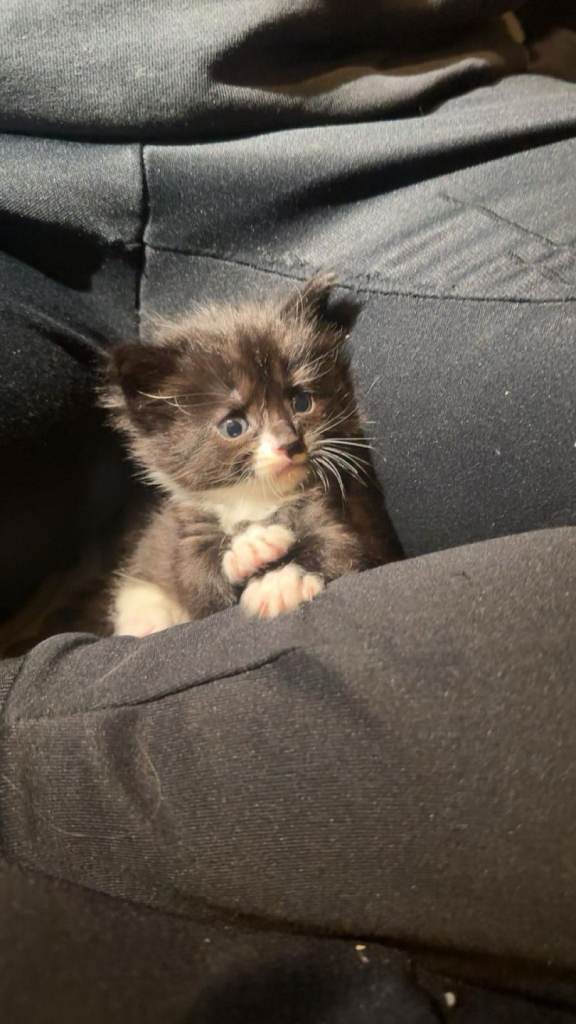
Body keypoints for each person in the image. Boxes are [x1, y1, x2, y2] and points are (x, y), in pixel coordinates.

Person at [1, 2, 576, 1021]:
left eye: (299, 409)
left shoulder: (301, 451)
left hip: (395, 142)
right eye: (247, 424)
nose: (285, 438)